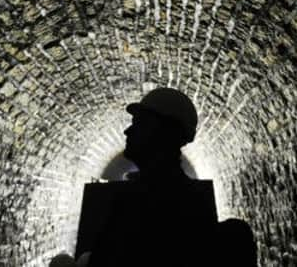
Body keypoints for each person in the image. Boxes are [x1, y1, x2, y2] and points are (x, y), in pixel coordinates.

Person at [76, 87, 218, 267]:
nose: (127, 131)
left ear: (162, 131)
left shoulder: (140, 201)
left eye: (138, 123)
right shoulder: (193, 202)